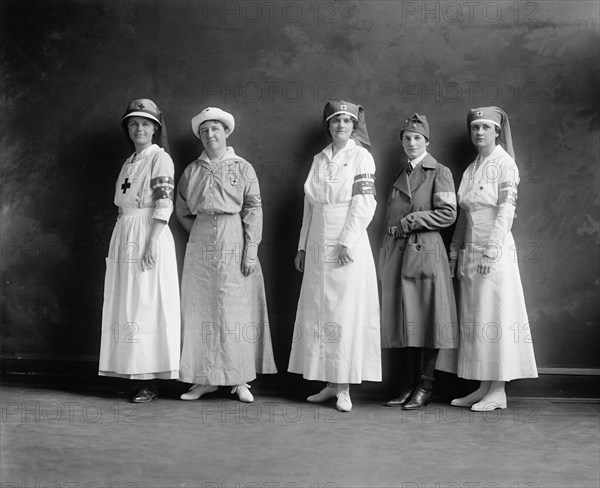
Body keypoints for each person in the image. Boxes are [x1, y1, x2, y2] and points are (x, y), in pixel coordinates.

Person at [176, 107, 277, 403]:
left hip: (234, 236)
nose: (210, 135)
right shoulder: (192, 171)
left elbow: (253, 209)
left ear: (226, 132)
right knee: (200, 308)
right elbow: (181, 208)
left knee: (235, 310)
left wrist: (250, 249)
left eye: (215, 129)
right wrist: (201, 230)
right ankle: (203, 379)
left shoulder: (243, 168)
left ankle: (240, 379)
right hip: (202, 238)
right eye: (204, 131)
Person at [288, 100, 381, 413]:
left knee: (342, 311)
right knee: (319, 310)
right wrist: (302, 245)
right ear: (327, 126)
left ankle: (344, 387)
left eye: (346, 121)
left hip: (345, 236)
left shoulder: (361, 157)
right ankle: (328, 382)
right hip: (317, 236)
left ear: (354, 126)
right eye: (335, 121)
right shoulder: (319, 158)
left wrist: (348, 241)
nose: (341, 125)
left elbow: (364, 202)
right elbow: (309, 206)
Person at [449, 106, 538, 411]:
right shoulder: (473, 168)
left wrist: (491, 250)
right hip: (471, 248)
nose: (480, 132)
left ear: (498, 131)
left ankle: (498, 389)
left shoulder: (505, 164)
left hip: (494, 249)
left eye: (486, 127)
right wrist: (454, 252)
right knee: (477, 317)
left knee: (496, 316)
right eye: (475, 127)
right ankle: (483, 385)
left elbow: (506, 211)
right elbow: (465, 214)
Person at [99, 98, 181, 403]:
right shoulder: (130, 161)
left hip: (150, 231)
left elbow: (164, 202)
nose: (139, 129)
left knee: (146, 303)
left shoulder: (160, 159)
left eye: (145, 123)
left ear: (155, 129)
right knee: (127, 303)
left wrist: (151, 241)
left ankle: (150, 379)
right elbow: (123, 203)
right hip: (125, 231)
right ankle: (133, 372)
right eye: (133, 123)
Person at [379, 114, 458, 410]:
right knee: (406, 321)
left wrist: (411, 220)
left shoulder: (440, 172)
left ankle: (425, 386)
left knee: (427, 320)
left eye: (417, 139)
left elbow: (448, 213)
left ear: (427, 142)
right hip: (400, 254)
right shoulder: (401, 174)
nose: (411, 143)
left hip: (426, 252)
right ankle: (408, 385)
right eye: (407, 138)